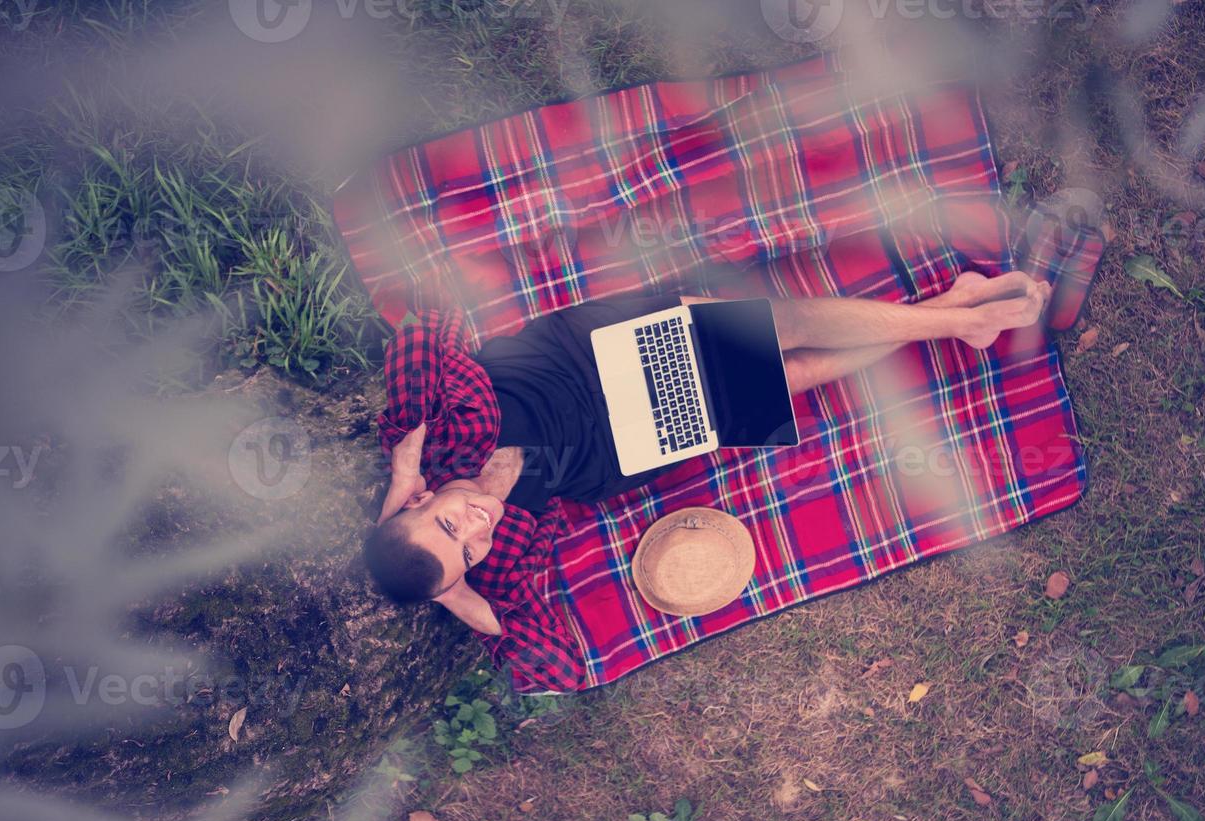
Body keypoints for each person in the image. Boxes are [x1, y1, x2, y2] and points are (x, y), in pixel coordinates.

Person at [357, 271, 1052, 692]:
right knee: (792, 379)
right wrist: (457, 592)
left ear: (417, 498)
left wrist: (405, 456)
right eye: (468, 551)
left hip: (592, 356)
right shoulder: (493, 561)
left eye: (449, 523)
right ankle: (954, 315)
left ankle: (963, 317)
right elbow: (557, 667)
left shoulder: (440, 432)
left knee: (782, 330)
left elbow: (421, 326)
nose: (479, 526)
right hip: (622, 442)